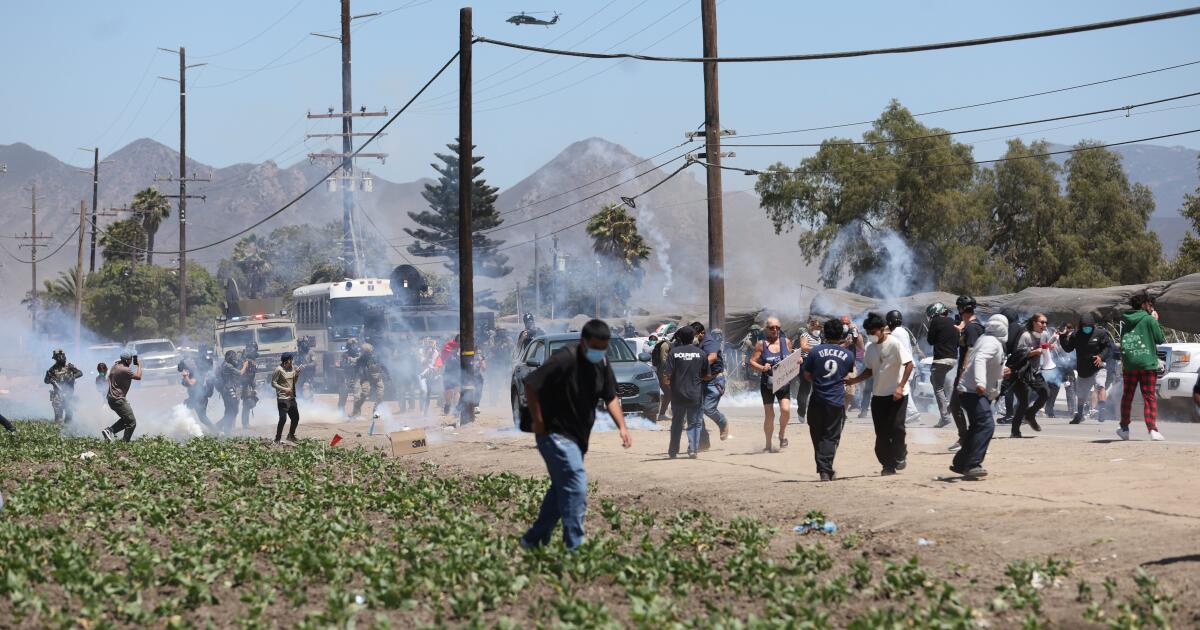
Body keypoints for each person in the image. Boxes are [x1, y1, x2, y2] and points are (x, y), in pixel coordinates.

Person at [520, 319, 632, 550]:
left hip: (577, 438)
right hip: (554, 434)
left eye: (603, 347)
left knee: (561, 488)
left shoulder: (601, 362)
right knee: (576, 485)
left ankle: (532, 540)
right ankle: (575, 547)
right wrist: (539, 422)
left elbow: (610, 396)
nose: (599, 352)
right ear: (583, 342)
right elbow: (531, 384)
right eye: (595, 347)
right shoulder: (564, 359)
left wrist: (622, 426)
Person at [845, 313, 913, 476]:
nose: (871, 335)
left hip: (898, 394)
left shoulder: (894, 344)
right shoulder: (870, 348)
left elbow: (909, 364)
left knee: (897, 429)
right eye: (868, 332)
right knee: (881, 433)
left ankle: (900, 454)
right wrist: (854, 381)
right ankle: (887, 465)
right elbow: (869, 370)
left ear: (882, 330)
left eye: (873, 331)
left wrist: (900, 386)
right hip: (879, 396)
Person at [951, 314, 1009, 479]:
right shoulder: (991, 342)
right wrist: (981, 383)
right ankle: (973, 464)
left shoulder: (987, 339)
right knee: (986, 425)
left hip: (970, 390)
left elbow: (986, 360)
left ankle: (960, 463)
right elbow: (981, 360)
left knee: (977, 427)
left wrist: (1001, 371)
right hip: (973, 391)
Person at [802, 319, 855, 481]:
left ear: (824, 333)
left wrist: (819, 382)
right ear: (841, 334)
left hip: (817, 398)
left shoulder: (814, 352)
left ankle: (824, 468)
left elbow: (807, 374)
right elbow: (847, 375)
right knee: (831, 436)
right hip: (836, 401)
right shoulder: (848, 354)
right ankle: (825, 468)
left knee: (817, 433)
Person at [1117, 292, 1166, 441]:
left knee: (1127, 396)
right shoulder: (1148, 319)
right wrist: (1155, 320)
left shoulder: (1126, 320)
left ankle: (1124, 428)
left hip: (1130, 364)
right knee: (1149, 397)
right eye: (1150, 305)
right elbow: (1160, 339)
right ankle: (1152, 429)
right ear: (1144, 304)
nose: (1152, 308)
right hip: (1146, 363)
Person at [747, 316, 793, 453]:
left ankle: (782, 434)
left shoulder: (786, 342)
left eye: (777, 327)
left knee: (785, 410)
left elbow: (791, 359)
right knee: (770, 415)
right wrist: (762, 368)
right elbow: (752, 362)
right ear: (766, 329)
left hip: (783, 381)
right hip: (767, 383)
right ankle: (768, 444)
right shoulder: (761, 344)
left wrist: (799, 360)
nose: (775, 330)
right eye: (772, 328)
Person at [662, 325, 708, 458]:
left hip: (678, 394)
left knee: (676, 423)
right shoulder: (701, 353)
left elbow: (666, 377)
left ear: (680, 338)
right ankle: (693, 449)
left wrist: (672, 386)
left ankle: (673, 451)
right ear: (693, 337)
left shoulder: (673, 353)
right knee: (693, 422)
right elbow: (707, 375)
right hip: (695, 394)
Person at [948, 296, 986, 452]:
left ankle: (967, 439)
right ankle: (968, 438)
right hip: (970, 373)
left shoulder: (972, 328)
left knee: (956, 405)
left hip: (967, 374)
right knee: (964, 406)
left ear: (961, 309)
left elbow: (971, 351)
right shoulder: (972, 327)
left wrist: (963, 373)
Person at [1061, 314, 1114, 424]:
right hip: (1083, 369)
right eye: (1084, 326)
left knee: (1100, 385)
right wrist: (1062, 337)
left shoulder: (1101, 333)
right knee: (1081, 395)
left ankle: (1102, 410)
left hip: (1098, 366)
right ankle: (1079, 415)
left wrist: (1101, 357)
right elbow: (1068, 348)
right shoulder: (1076, 335)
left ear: (1094, 325)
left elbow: (1107, 347)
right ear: (1080, 326)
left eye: (1089, 326)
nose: (1087, 328)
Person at [1008, 314, 1050, 438]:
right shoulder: (1026, 336)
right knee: (1023, 402)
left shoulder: (1045, 335)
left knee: (1045, 393)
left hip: (1035, 372)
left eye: (1045, 322)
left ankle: (1030, 415)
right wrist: (1033, 352)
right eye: (1042, 322)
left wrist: (1050, 348)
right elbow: (1018, 355)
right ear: (1034, 322)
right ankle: (1015, 430)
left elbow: (1045, 350)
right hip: (1021, 372)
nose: (1044, 325)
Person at [692, 322, 731, 446]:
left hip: (714, 381)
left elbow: (712, 357)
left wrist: (695, 366)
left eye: (694, 335)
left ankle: (722, 422)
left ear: (702, 333)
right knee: (696, 411)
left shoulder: (709, 342)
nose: (693, 338)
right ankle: (703, 441)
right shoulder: (697, 343)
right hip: (701, 380)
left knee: (708, 408)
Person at [886, 310, 923, 425]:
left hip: (904, 365)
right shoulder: (903, 330)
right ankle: (906, 413)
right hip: (908, 364)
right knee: (903, 388)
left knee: (903, 388)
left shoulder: (896, 332)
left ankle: (912, 413)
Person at [926, 302, 958, 429]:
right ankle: (951, 409)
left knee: (938, 387)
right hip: (954, 359)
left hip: (940, 360)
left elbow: (930, 341)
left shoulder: (935, 322)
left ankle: (945, 417)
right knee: (949, 386)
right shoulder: (953, 322)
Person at [101, 352, 142, 442]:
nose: (131, 361)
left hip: (112, 399)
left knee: (126, 420)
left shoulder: (115, 366)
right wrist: (139, 365)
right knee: (132, 422)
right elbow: (138, 377)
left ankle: (109, 431)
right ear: (127, 360)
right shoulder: (125, 369)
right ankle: (125, 443)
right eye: (131, 359)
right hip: (118, 399)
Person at [793, 319, 823, 425]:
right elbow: (804, 347)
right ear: (810, 327)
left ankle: (816, 413)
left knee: (817, 388)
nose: (817, 330)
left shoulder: (819, 338)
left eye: (819, 328)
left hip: (817, 363)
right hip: (806, 363)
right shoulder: (805, 335)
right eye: (815, 327)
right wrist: (817, 349)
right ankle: (801, 410)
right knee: (805, 388)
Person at [44, 349, 83, 425]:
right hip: (57, 396)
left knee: (69, 418)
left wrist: (73, 377)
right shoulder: (52, 369)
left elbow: (80, 373)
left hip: (69, 395)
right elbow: (46, 381)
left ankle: (69, 433)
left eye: (62, 356)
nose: (61, 358)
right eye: (59, 356)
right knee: (58, 419)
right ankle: (59, 433)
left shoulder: (70, 366)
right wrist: (49, 379)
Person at [352, 342, 387, 426]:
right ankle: (356, 410)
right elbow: (357, 368)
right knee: (364, 394)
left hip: (377, 378)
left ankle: (376, 412)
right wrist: (354, 378)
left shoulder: (377, 356)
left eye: (369, 351)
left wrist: (388, 375)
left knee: (380, 395)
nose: (368, 353)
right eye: (366, 352)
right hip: (366, 378)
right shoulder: (362, 359)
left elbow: (383, 366)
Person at [179, 358, 215, 432]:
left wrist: (185, 376)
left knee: (202, 417)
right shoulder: (192, 371)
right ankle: (182, 428)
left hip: (199, 398)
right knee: (184, 409)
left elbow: (191, 383)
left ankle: (216, 431)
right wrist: (185, 378)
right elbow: (185, 383)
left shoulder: (198, 372)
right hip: (194, 398)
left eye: (190, 362)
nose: (187, 364)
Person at [272, 353, 301, 443]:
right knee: (283, 419)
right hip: (282, 398)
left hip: (291, 397)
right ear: (288, 360)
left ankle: (291, 435)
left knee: (295, 418)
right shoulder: (278, 370)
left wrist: (296, 375)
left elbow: (294, 382)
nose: (292, 361)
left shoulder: (292, 368)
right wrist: (284, 389)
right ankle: (277, 439)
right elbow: (273, 383)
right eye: (291, 359)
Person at [217, 350, 245, 434]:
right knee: (233, 410)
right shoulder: (227, 365)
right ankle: (220, 426)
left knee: (231, 410)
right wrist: (245, 365)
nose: (235, 359)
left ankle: (224, 428)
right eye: (234, 357)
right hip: (228, 390)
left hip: (231, 388)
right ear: (230, 357)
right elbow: (240, 373)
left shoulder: (226, 364)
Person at [650, 330, 676, 421]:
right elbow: (664, 361)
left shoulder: (668, 345)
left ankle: (663, 414)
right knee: (670, 393)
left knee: (669, 394)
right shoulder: (665, 345)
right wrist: (667, 374)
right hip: (663, 374)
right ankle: (665, 413)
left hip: (665, 373)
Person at [336, 338, 361, 415]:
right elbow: (341, 365)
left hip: (356, 377)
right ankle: (340, 413)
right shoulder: (345, 355)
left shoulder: (360, 355)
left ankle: (357, 414)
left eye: (355, 345)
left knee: (357, 396)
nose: (354, 347)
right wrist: (349, 363)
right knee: (343, 395)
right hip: (347, 377)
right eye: (352, 345)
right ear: (349, 346)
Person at [239, 343, 260, 430]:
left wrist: (254, 387)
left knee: (248, 403)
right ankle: (244, 424)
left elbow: (252, 375)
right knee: (247, 403)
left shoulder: (252, 359)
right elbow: (243, 374)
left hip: (248, 383)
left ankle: (245, 423)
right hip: (244, 384)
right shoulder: (246, 360)